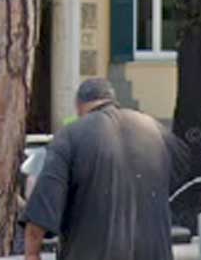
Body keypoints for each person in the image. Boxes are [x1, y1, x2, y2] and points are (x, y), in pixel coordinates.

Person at [23, 78, 188, 260]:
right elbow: (180, 175)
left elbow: (42, 210)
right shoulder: (156, 131)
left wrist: (32, 254)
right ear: (113, 100)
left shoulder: (70, 136)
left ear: (79, 107)